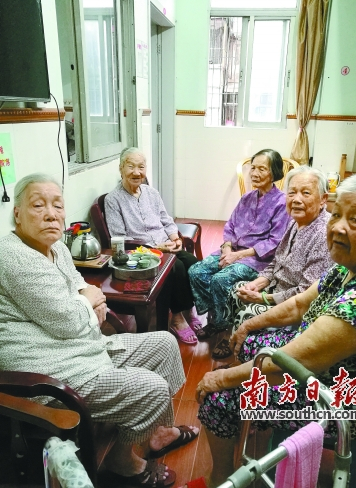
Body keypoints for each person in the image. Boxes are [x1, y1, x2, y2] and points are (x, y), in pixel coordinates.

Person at [195, 171, 356, 487]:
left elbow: (291, 362)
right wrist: (248, 324)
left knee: (219, 398)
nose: (338, 227)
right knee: (251, 343)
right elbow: (299, 305)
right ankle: (262, 429)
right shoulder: (350, 265)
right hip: (324, 365)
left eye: (355, 220)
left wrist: (221, 378)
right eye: (337, 215)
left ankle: (220, 478)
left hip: (353, 398)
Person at [0, 173, 199, 486]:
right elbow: (69, 321)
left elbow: (81, 288)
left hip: (82, 345)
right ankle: (122, 461)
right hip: (51, 369)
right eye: (38, 205)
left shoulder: (56, 247)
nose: (51, 214)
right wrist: (87, 304)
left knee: (164, 344)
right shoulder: (14, 257)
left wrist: (86, 301)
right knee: (152, 388)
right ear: (17, 213)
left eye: (57, 205)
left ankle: (157, 433)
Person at [212, 166, 334, 360]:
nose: (296, 199)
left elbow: (304, 294)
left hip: (295, 306)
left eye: (306, 193)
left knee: (248, 313)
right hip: (276, 287)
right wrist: (257, 283)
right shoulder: (295, 221)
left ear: (323, 199)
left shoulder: (324, 234)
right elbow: (276, 261)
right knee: (237, 291)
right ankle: (233, 340)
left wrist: (264, 299)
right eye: (291, 193)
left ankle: (244, 364)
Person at [188, 149, 291, 340]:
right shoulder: (246, 198)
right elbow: (230, 225)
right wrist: (227, 248)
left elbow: (275, 242)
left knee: (220, 280)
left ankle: (221, 327)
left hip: (257, 260)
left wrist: (238, 256)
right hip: (233, 250)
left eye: (262, 169)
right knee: (196, 271)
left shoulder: (282, 203)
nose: (254, 173)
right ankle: (217, 315)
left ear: (274, 173)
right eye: (253, 168)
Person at [105, 147, 200, 345]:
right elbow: (119, 237)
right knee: (176, 267)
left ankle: (188, 308)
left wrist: (175, 239)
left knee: (192, 262)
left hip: (165, 244)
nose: (136, 172)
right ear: (121, 168)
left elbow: (166, 219)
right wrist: (155, 247)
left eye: (141, 167)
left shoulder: (152, 193)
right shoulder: (113, 200)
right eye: (131, 166)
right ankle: (177, 318)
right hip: (141, 252)